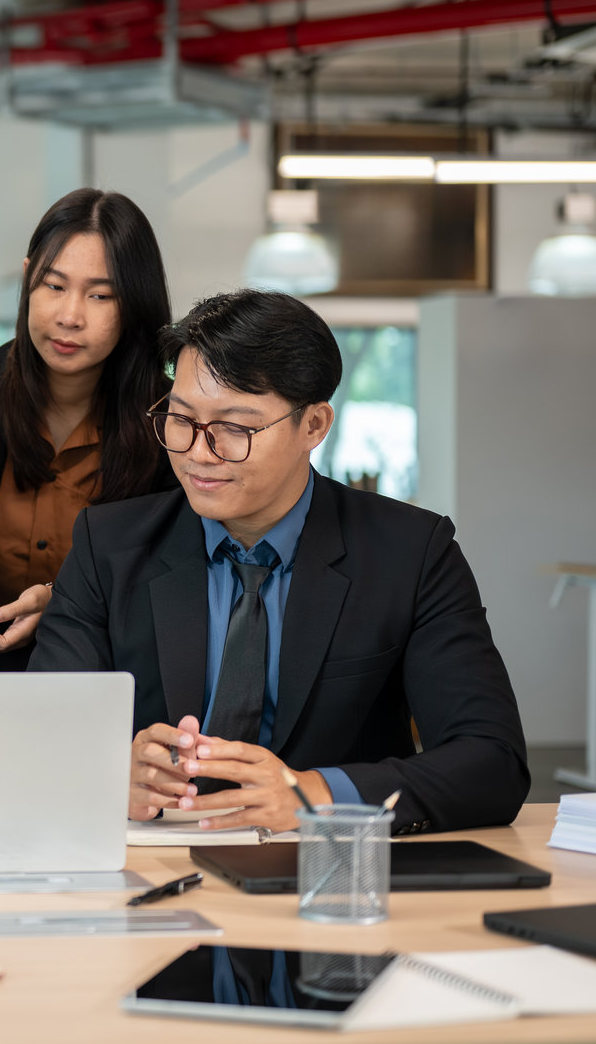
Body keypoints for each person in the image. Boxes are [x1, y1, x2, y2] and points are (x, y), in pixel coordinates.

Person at [29, 288, 528, 835]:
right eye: (181, 418)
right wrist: (106, 773)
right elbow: (42, 737)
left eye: (235, 428)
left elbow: (492, 762)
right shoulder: (110, 546)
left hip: (331, 873)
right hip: (158, 860)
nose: (198, 452)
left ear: (314, 425)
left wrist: (316, 793)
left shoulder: (410, 553)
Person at [0, 188, 174, 672]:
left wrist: (63, 600)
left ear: (135, 306)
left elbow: (172, 581)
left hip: (102, 685)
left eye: (101, 295)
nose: (69, 316)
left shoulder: (172, 423)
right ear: (27, 281)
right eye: (54, 285)